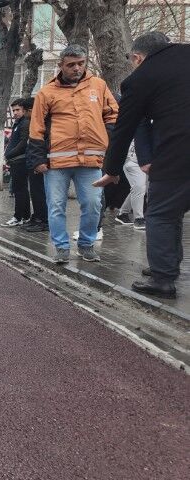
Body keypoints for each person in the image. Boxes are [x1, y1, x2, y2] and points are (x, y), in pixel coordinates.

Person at [95, 32, 189, 299]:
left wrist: (112, 171)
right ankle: (167, 263)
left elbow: (124, 128)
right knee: (171, 214)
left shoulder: (140, 79)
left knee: (161, 214)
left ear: (137, 58)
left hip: (177, 154)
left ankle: (163, 279)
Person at [28, 44, 118, 264]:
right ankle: (61, 247)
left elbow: (113, 115)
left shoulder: (99, 86)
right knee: (56, 206)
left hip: (91, 159)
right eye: (71, 65)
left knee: (93, 204)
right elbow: (37, 126)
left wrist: (106, 138)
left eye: (80, 63)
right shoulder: (47, 92)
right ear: (61, 65)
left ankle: (86, 245)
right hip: (56, 161)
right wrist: (38, 159)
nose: (77, 68)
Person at [2, 97, 33, 227]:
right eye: (13, 110)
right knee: (21, 189)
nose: (15, 113)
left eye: (17, 110)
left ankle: (18, 217)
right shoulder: (18, 123)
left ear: (24, 110)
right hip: (16, 160)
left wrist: (9, 154)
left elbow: (23, 142)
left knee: (19, 190)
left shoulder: (25, 123)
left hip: (20, 160)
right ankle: (25, 216)